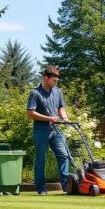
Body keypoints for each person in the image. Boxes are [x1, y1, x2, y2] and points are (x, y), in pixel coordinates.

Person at [26, 65, 71, 195]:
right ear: (45, 78)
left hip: (56, 130)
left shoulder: (58, 92)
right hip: (41, 130)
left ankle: (66, 186)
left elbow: (61, 107)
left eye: (57, 81)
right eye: (54, 80)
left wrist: (65, 117)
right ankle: (41, 188)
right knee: (41, 159)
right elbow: (30, 114)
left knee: (63, 155)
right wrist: (49, 118)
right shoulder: (35, 93)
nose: (56, 83)